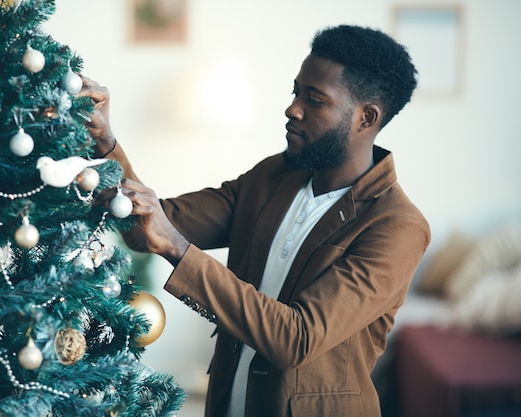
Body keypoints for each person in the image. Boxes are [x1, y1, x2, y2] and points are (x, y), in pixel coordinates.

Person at [81, 24, 430, 417]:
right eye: (295, 91)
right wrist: (105, 140)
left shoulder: (398, 226)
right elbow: (150, 229)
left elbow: (295, 339)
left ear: (366, 118)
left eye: (314, 100)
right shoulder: (271, 177)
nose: (292, 108)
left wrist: (179, 248)